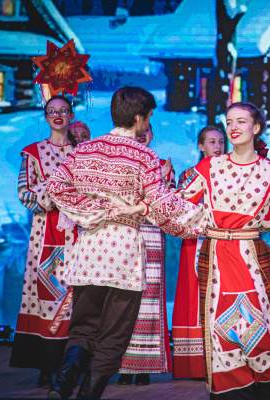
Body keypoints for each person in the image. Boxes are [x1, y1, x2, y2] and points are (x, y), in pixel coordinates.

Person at [45, 86, 206, 399]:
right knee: (114, 334)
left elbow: (56, 186)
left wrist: (94, 211)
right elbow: (161, 205)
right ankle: (86, 395)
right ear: (138, 118)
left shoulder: (85, 149)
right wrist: (203, 218)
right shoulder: (144, 155)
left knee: (83, 326)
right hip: (123, 254)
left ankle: (62, 383)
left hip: (90, 251)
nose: (148, 123)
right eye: (149, 117)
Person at [172, 102, 270, 398]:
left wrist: (246, 223)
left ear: (256, 127)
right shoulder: (208, 167)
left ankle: (263, 384)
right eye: (229, 121)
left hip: (250, 256)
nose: (233, 127)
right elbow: (181, 203)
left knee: (258, 326)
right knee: (219, 330)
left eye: (241, 121)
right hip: (216, 255)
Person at [9, 95, 79, 389]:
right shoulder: (33, 153)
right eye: (52, 111)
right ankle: (46, 365)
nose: (58, 115)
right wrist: (53, 192)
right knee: (45, 294)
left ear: (72, 114)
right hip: (45, 231)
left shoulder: (82, 152)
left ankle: (71, 364)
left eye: (63, 110)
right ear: (45, 116)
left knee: (76, 295)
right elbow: (24, 194)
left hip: (78, 232)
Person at [118, 123, 176, 386]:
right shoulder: (121, 162)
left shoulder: (163, 165)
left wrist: (162, 182)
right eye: (138, 130)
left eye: (147, 131)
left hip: (151, 237)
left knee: (149, 300)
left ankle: (143, 366)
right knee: (122, 298)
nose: (142, 135)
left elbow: (167, 205)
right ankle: (121, 365)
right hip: (122, 236)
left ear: (153, 135)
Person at [172, 126, 225, 379]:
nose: (218, 146)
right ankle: (196, 363)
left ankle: (223, 358)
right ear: (201, 146)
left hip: (224, 242)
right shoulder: (189, 175)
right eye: (212, 142)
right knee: (195, 296)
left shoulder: (231, 174)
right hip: (196, 242)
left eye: (221, 142)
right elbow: (182, 208)